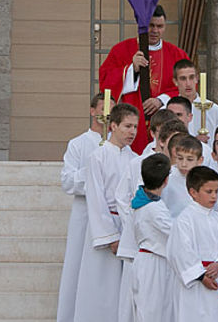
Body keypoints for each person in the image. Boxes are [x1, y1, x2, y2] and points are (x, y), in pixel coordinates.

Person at [74, 103, 139, 322]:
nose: (132, 132)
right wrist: (110, 237)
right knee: (102, 285)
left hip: (129, 226)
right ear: (113, 125)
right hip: (106, 226)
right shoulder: (98, 156)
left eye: (135, 127)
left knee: (126, 287)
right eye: (127, 126)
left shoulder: (136, 159)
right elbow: (96, 198)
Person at [99, 6, 190, 154]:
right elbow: (105, 81)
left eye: (159, 26)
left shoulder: (177, 54)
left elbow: (187, 87)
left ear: (165, 27)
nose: (155, 31)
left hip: (164, 119)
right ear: (142, 27)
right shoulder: (121, 50)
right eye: (151, 26)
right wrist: (131, 69)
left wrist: (161, 100)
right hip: (134, 121)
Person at [113, 108, 176, 322]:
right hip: (145, 246)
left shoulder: (181, 167)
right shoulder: (140, 163)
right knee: (140, 308)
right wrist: (135, 225)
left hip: (167, 253)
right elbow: (122, 197)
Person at [57, 92, 112, 322]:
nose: (105, 114)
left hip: (109, 216)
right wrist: (92, 174)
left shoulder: (116, 146)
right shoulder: (79, 144)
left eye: (110, 110)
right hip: (84, 215)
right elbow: (68, 181)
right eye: (102, 109)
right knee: (77, 269)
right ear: (92, 111)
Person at [167, 166, 218, 322]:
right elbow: (180, 252)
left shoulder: (217, 218)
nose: (214, 197)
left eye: (216, 191)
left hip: (214, 276)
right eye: (209, 192)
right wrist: (200, 275)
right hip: (194, 284)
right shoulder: (185, 219)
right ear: (193, 192)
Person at [131, 154, 174, 322]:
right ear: (166, 180)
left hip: (150, 260)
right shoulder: (153, 208)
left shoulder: (146, 202)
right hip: (153, 263)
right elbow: (174, 233)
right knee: (151, 313)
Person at [172, 59, 218, 144]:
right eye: (183, 79)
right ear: (175, 81)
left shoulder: (212, 109)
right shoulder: (169, 109)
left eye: (191, 77)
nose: (188, 83)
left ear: (197, 78)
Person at [165, 96, 216, 169]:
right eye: (170, 115)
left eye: (179, 115)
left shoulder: (204, 150)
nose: (174, 119)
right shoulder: (156, 146)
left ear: (189, 117)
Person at [164, 133, 201, 218]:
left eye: (189, 159)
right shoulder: (168, 178)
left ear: (200, 160)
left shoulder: (204, 178)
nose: (184, 164)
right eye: (180, 158)